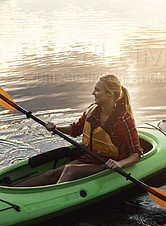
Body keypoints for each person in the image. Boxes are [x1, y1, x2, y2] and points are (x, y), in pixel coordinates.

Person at [15, 74, 143, 186]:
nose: (93, 93)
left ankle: (49, 198)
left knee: (70, 170)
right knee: (50, 174)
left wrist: (120, 164)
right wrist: (56, 128)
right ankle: (11, 191)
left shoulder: (123, 119)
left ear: (109, 93)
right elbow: (76, 129)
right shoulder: (93, 110)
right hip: (91, 158)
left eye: (97, 90)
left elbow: (136, 153)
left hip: (108, 164)